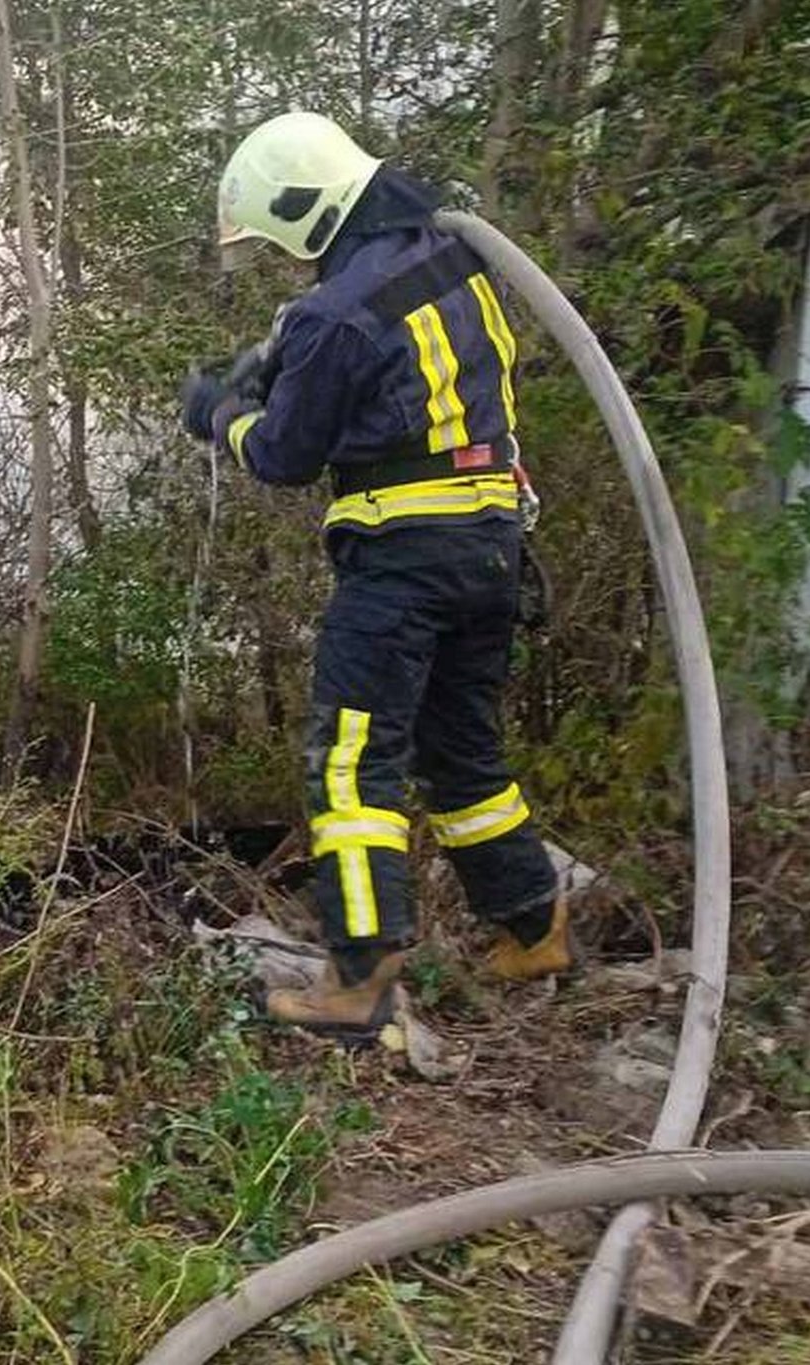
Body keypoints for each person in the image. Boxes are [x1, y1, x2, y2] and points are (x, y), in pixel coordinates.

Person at [180, 110, 570, 1041]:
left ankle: (358, 978)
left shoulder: (334, 313)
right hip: (489, 546)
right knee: (460, 751)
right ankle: (535, 927)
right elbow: (401, 385)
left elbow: (281, 455)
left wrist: (219, 410)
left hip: (403, 559)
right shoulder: (452, 259)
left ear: (305, 208)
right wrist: (283, 363)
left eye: (279, 239)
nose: (281, 260)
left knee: (352, 765)